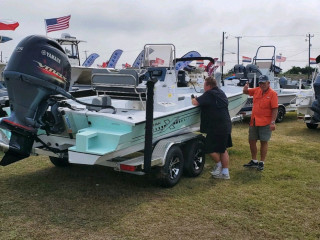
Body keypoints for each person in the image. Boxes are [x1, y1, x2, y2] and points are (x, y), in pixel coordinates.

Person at [192, 76, 232, 179]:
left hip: (216, 126)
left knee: (209, 148)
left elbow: (195, 103)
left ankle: (219, 165)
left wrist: (193, 98)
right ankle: (225, 173)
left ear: (208, 86)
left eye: (204, 85)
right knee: (223, 149)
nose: (204, 87)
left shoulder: (209, 94)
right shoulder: (221, 93)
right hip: (226, 124)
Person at [243, 75, 278, 171]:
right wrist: (245, 87)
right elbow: (246, 92)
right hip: (254, 121)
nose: (262, 85)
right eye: (260, 83)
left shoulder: (273, 94)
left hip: (266, 122)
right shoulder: (257, 90)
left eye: (263, 83)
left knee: (264, 141)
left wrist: (272, 122)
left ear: (268, 83)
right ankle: (254, 161)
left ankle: (261, 162)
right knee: (251, 140)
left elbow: (275, 109)